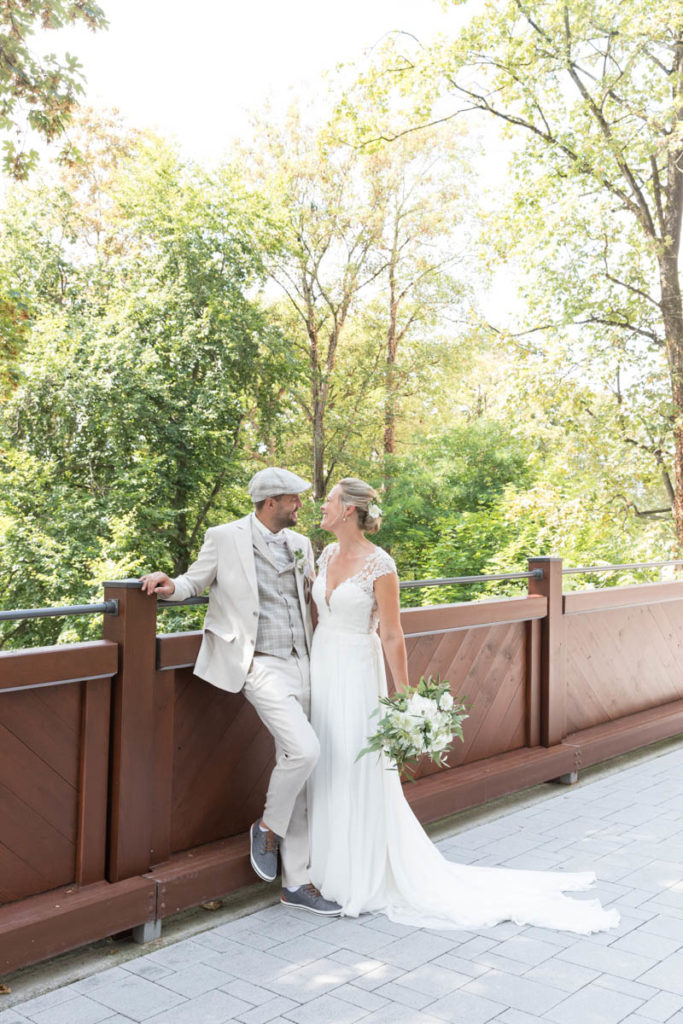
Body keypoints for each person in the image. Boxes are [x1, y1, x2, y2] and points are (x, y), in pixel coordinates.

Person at [307, 477, 620, 933]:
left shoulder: (381, 565)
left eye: (330, 501)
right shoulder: (325, 555)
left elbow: (392, 633)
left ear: (350, 510)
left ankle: (361, 872)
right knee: (330, 761)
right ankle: (325, 866)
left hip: (357, 669)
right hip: (323, 665)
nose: (323, 507)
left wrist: (404, 697)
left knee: (359, 764)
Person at [140, 467, 341, 917]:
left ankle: (297, 881)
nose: (300, 506)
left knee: (302, 770)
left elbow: (311, 599)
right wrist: (169, 585)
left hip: (305, 662)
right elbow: (195, 581)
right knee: (305, 751)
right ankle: (267, 828)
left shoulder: (301, 545)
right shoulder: (224, 537)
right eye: (293, 499)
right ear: (270, 502)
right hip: (260, 665)